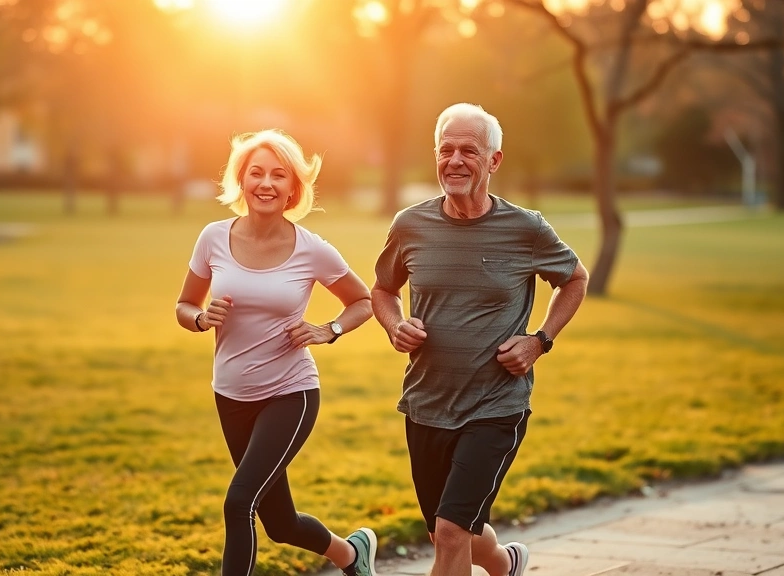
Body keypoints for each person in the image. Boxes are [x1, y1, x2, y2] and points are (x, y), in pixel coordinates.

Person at [370, 103, 589, 576]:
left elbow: (575, 278)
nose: (454, 160)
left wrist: (539, 341)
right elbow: (383, 290)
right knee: (451, 530)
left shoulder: (526, 228)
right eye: (445, 150)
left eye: (468, 150)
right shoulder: (410, 225)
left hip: (495, 406)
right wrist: (394, 324)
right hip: (426, 401)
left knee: (449, 535)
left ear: (494, 160)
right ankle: (505, 564)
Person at [175, 129, 378, 576]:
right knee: (280, 522)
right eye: (256, 173)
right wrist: (199, 318)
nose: (266, 183)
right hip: (230, 394)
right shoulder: (212, 237)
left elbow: (362, 301)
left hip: (291, 392)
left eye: (278, 175)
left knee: (239, 502)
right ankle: (352, 555)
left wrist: (330, 330)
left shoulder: (312, 248)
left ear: (293, 188)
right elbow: (184, 305)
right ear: (242, 181)